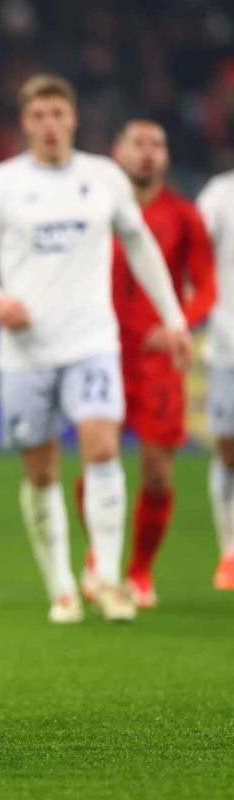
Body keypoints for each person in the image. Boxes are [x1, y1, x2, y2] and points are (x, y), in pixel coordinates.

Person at [0, 75, 191, 624]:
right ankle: (61, 584)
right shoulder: (0, 184)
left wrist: (174, 318)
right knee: (40, 471)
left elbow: (141, 245)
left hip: (91, 341)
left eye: (59, 113)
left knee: (103, 449)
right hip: (26, 349)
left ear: (74, 119)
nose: (50, 124)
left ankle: (106, 580)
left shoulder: (102, 176)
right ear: (25, 123)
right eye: (39, 116)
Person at [72, 120, 215, 608]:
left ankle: (140, 573)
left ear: (168, 156)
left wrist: (180, 325)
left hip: (157, 362)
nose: (148, 153)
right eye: (139, 143)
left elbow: (207, 287)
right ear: (117, 153)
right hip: (102, 352)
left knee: (157, 474)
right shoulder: (93, 208)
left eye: (158, 143)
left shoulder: (184, 216)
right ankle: (100, 556)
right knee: (97, 459)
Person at [197, 170, 234, 590]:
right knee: (228, 449)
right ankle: (229, 552)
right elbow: (187, 253)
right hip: (228, 343)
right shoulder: (220, 193)